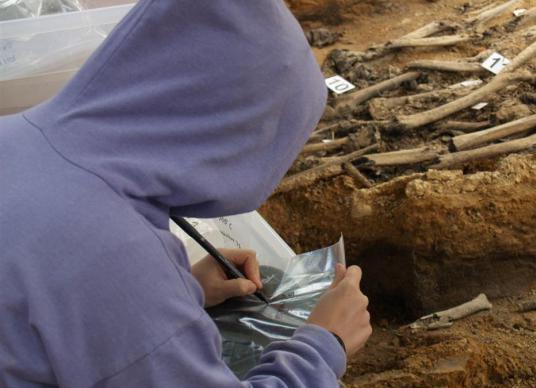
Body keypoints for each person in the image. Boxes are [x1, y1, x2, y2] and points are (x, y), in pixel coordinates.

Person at [0, 0, 372, 387]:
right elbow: (97, 281)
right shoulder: (112, 255)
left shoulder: (12, 133)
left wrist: (181, 293)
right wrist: (324, 344)